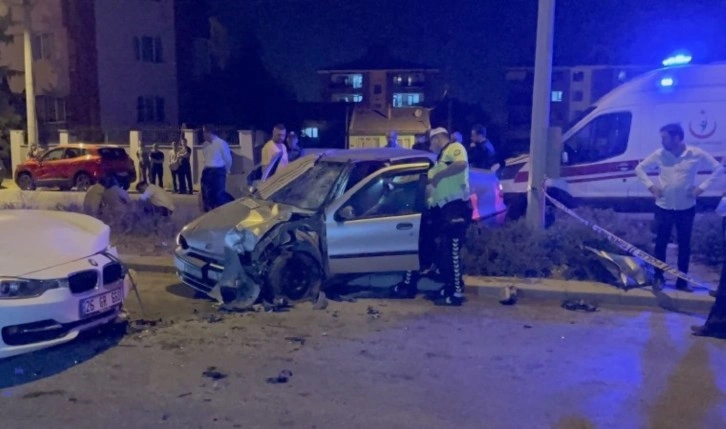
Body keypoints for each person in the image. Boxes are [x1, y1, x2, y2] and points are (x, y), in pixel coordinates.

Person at [635, 123, 724, 292]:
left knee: (684, 245)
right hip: (664, 207)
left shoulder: (695, 154)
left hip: (686, 208)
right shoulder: (660, 154)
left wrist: (701, 188)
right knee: (660, 244)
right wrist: (651, 187)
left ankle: (682, 281)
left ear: (677, 138)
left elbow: (718, 169)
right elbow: (639, 169)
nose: (662, 142)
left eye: (665, 138)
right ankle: (659, 277)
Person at [391, 127, 472, 306]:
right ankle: (449, 287)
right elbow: (425, 181)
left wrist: (439, 176)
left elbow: (461, 164)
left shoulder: (454, 148)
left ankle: (456, 294)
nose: (430, 147)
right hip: (443, 211)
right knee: (442, 252)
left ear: (437, 139)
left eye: (431, 143)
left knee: (452, 252)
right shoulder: (440, 160)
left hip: (455, 209)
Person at [200, 124, 232, 212]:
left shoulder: (221, 143)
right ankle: (208, 212)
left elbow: (228, 159)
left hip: (218, 171)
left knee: (218, 195)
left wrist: (226, 171)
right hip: (207, 171)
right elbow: (206, 158)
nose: (203, 135)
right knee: (207, 195)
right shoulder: (205, 145)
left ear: (209, 132)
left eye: (204, 132)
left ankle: (220, 213)